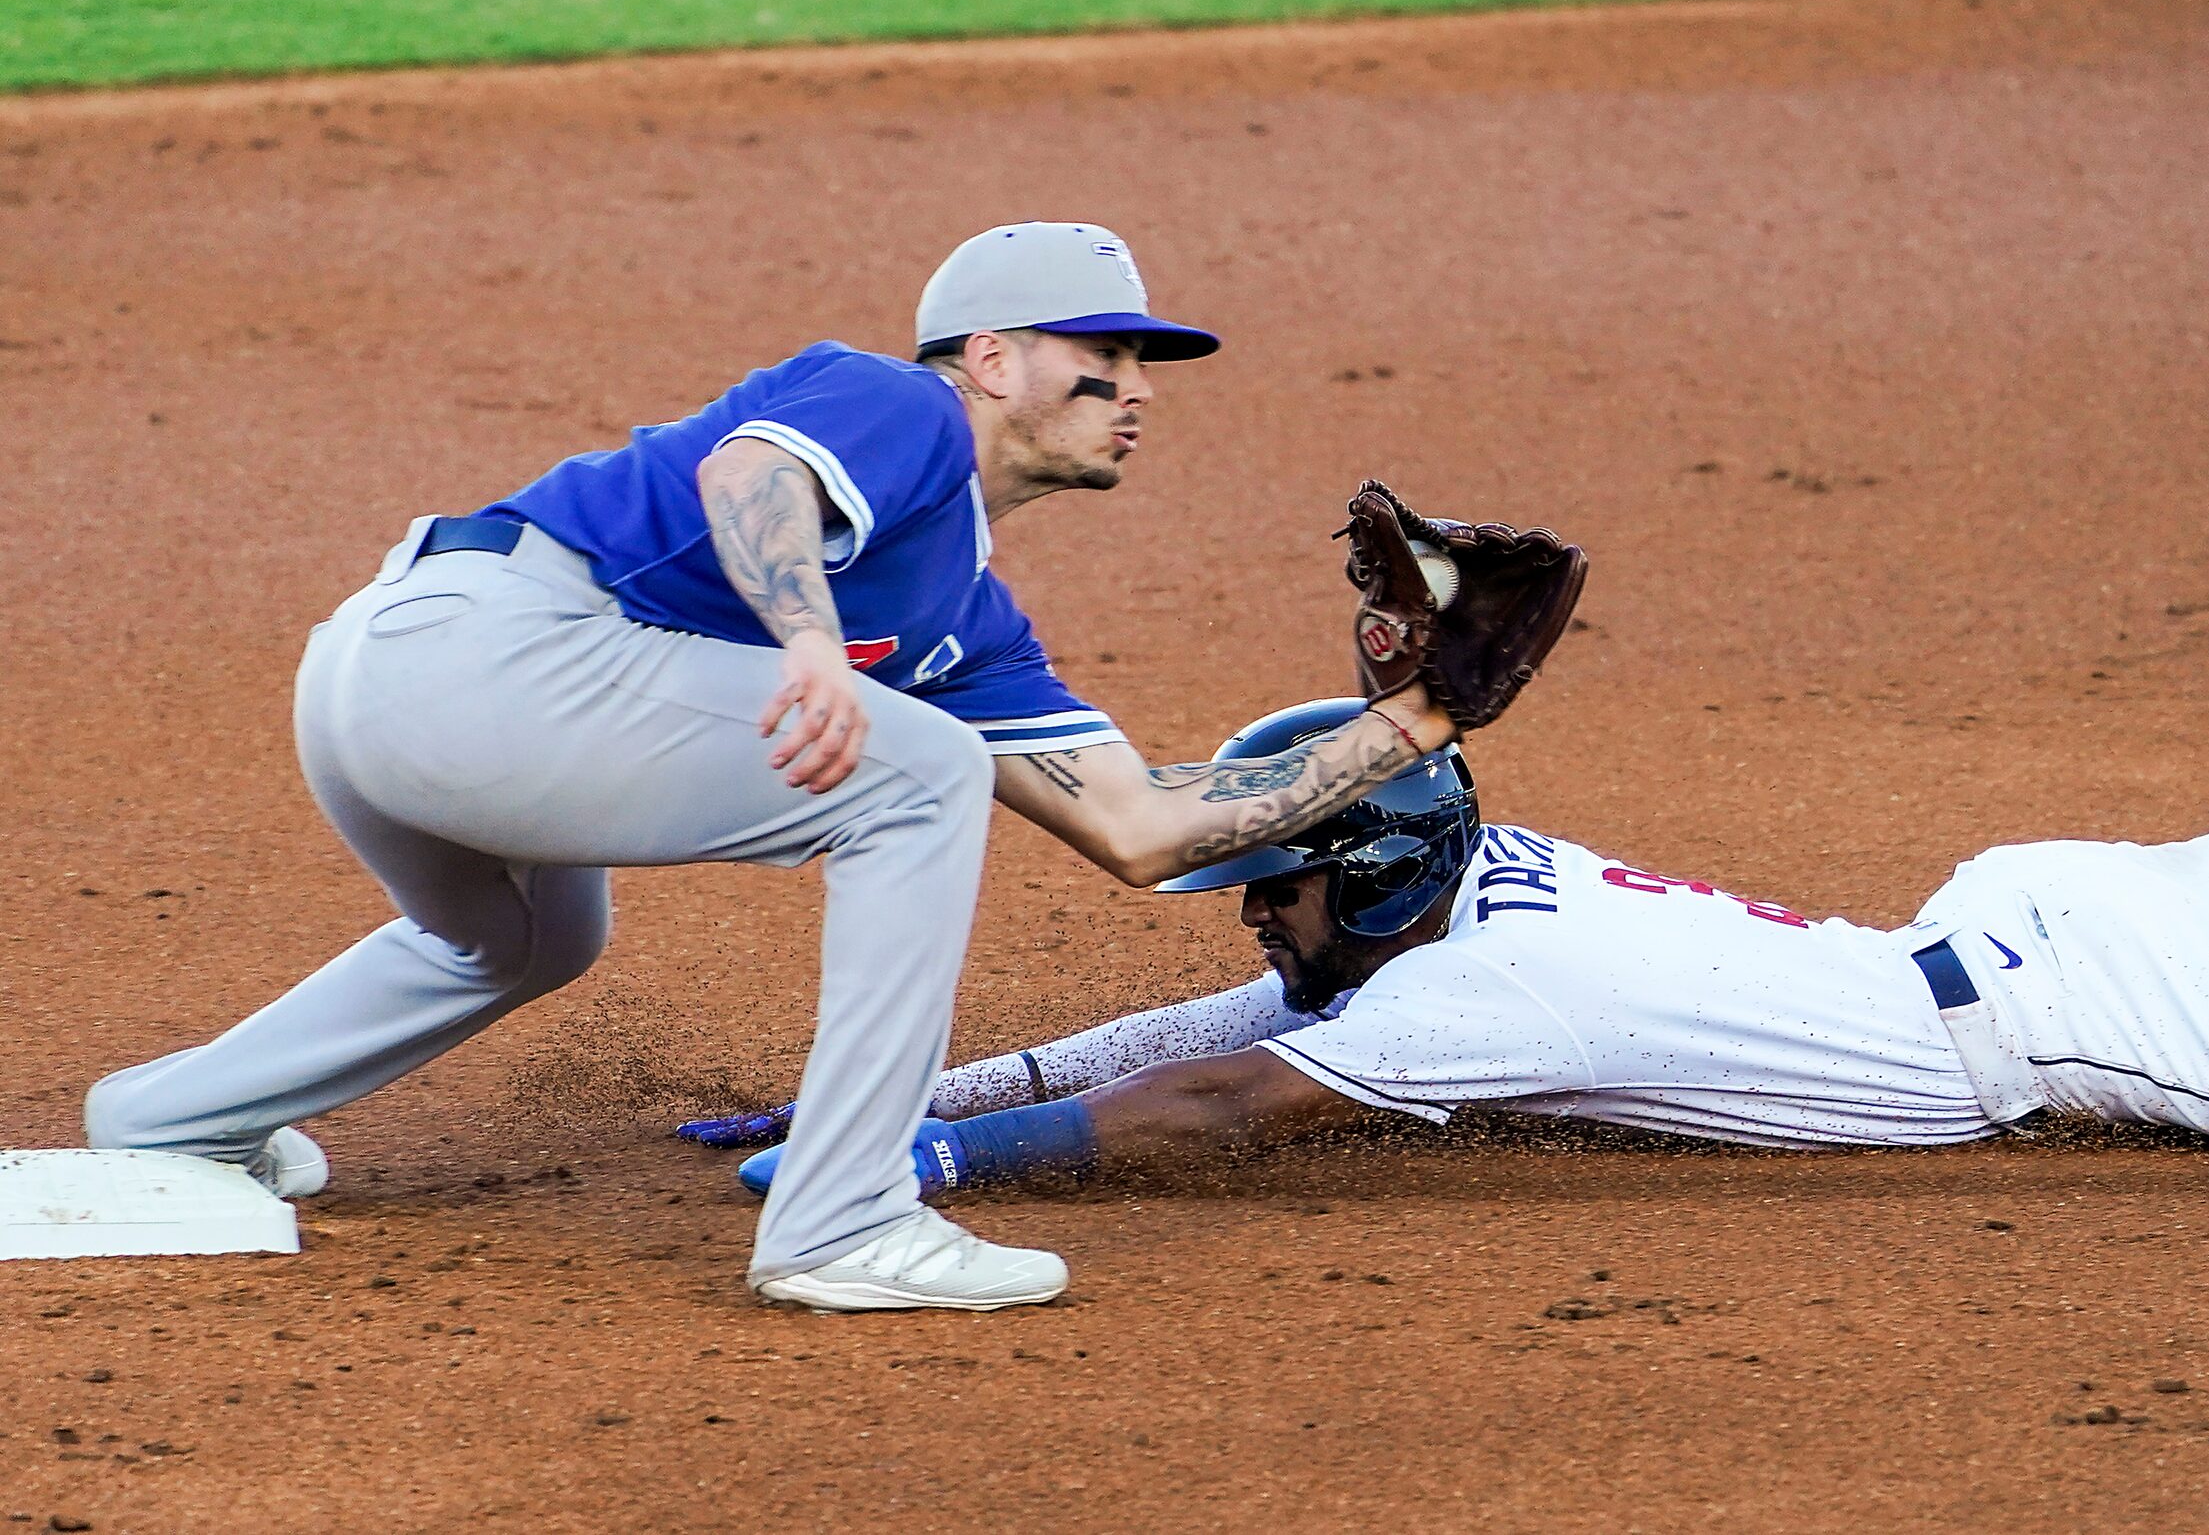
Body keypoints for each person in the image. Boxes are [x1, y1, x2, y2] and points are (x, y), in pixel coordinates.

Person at [695, 404, 2209, 1193]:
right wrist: (956, 1076)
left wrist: (911, 1146)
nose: (1260, 925)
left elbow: (1214, 1098)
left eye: (1277, 894)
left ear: (1363, 893)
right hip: (2037, 913)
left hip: (2065, 1014)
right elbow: (1168, 1044)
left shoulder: (1432, 1012)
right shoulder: (1468, 908)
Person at [88, 222, 1483, 1313]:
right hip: (476, 655)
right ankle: (847, 1217)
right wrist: (809, 637)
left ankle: (178, 1117)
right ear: (989, 357)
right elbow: (753, 479)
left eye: (1139, 371)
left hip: (407, 692)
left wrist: (1422, 714)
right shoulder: (899, 403)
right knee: (924, 773)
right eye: (1095, 358)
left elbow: (1139, 827)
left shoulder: (963, 619)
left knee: (525, 932)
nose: (1130, 392)